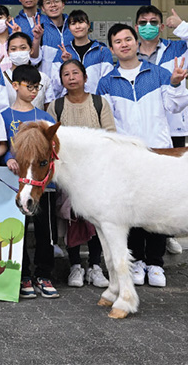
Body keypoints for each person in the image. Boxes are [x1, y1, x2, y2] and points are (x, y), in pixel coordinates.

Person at [96, 23, 188, 288]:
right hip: (127, 156)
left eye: (128, 39)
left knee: (159, 208)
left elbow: (175, 105)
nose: (124, 44)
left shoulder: (159, 73)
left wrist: (176, 83)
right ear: (112, 49)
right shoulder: (107, 82)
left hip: (158, 151)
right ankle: (136, 262)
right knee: (132, 211)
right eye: (117, 41)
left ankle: (156, 263)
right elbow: (108, 121)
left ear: (137, 43)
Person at [45, 59, 114, 289]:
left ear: (85, 77)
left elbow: (110, 135)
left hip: (97, 173)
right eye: (66, 74)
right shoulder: (56, 106)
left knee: (95, 220)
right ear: (61, 80)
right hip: (68, 174)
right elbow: (50, 140)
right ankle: (75, 265)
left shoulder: (98, 103)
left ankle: (95, 265)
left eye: (76, 73)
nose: (71, 77)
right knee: (71, 219)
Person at [0, 65, 59, 299]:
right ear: (15, 86)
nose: (34, 91)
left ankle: (44, 275)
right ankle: (23, 275)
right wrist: (8, 159)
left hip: (43, 186)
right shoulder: (4, 116)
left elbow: (53, 151)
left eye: (37, 87)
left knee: (46, 230)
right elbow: (2, 144)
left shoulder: (45, 119)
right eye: (29, 86)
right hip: (15, 184)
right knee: (19, 230)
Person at [134, 5, 188, 149]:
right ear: (136, 27)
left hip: (172, 126)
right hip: (140, 127)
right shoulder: (129, 55)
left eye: (153, 22)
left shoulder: (177, 49)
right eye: (143, 22)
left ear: (161, 27)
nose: (148, 26)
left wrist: (182, 26)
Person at [48, 9, 114, 98]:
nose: (78, 26)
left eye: (81, 22)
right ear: (69, 28)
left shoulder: (102, 51)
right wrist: (66, 64)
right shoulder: (62, 52)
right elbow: (56, 86)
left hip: (96, 102)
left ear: (88, 25)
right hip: (69, 102)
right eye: (73, 24)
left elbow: (108, 83)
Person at [36, 0, 74, 100]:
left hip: (73, 86)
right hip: (47, 89)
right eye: (48, 3)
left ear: (63, 4)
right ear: (43, 8)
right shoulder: (40, 28)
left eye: (56, 1)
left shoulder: (73, 26)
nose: (53, 5)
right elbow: (34, 59)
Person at [2, 32, 47, 109]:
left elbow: (48, 107)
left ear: (31, 50)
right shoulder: (1, 79)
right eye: (13, 49)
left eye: (23, 48)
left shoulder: (44, 78)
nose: (18, 52)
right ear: (8, 53)